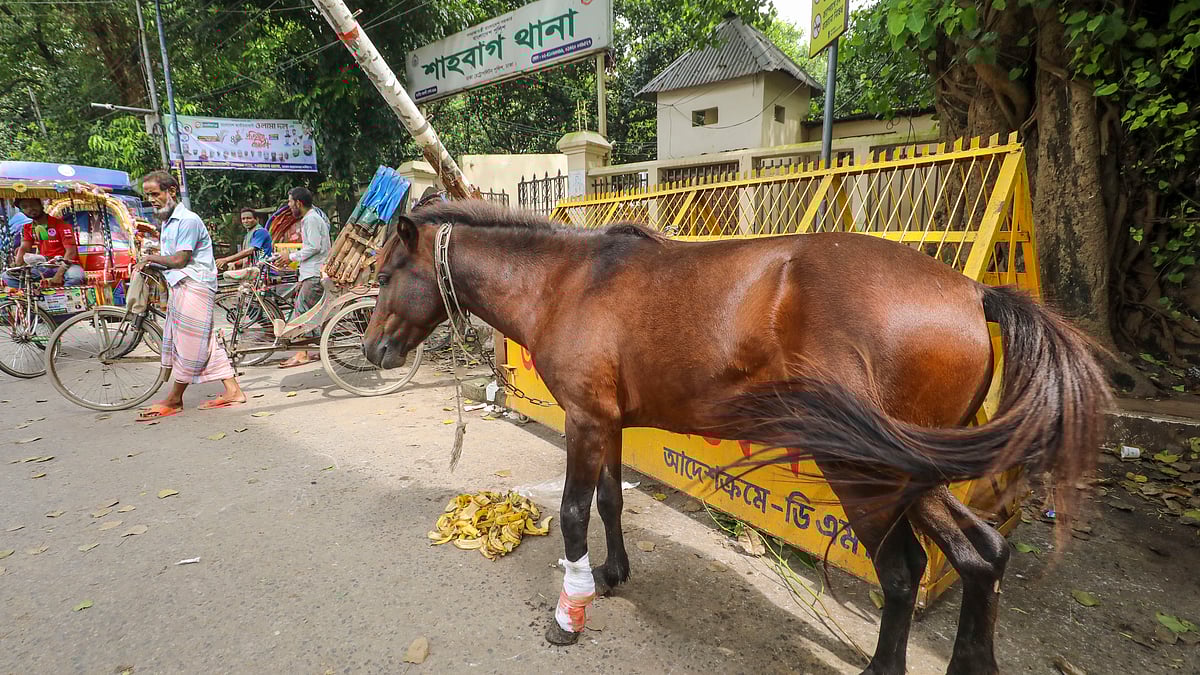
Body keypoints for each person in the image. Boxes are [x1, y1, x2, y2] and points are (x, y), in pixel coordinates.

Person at [134, 170, 246, 421]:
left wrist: (150, 258)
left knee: (190, 344)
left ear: (171, 191)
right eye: (148, 195)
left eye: (155, 194)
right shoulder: (168, 221)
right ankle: (233, 391)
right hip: (181, 284)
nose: (151, 199)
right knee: (201, 341)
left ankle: (174, 398)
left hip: (194, 284)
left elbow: (179, 259)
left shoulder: (188, 220)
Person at [277, 186, 330, 369]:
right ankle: (316, 348)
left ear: (299, 203)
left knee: (301, 312)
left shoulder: (311, 220)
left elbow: (314, 247)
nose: (289, 205)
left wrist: (290, 257)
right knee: (310, 312)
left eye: (290, 202)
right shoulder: (311, 218)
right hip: (311, 272)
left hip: (314, 274)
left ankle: (302, 353)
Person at [2, 197, 85, 288]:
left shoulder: (61, 225)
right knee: (7, 276)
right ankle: (36, 295)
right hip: (45, 265)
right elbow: (24, 247)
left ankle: (66, 299)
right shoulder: (28, 227)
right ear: (21, 211)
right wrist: (17, 265)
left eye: (33, 204)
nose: (30, 209)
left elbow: (71, 252)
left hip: (67, 264)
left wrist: (59, 274)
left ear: (41, 204)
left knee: (75, 277)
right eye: (25, 207)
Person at [215, 207, 273, 271]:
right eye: (243, 219)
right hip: (253, 270)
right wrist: (234, 263)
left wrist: (226, 260)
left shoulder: (260, 231)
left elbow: (249, 251)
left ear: (257, 219)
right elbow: (246, 259)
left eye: (249, 218)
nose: (246, 221)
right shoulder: (248, 235)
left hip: (263, 271)